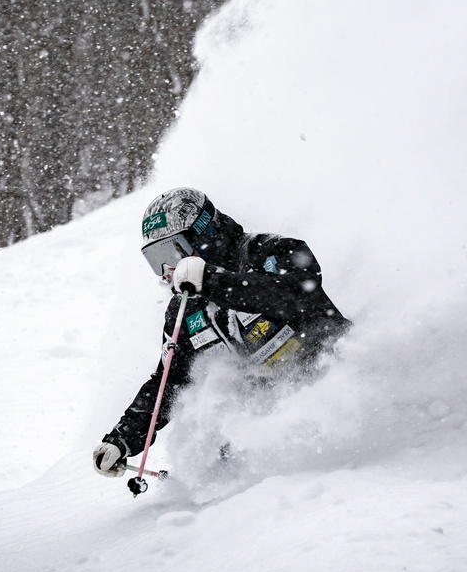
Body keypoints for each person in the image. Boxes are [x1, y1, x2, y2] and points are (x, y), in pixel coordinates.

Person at [92, 187, 352, 478]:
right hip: (270, 433)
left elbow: (295, 295)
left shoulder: (271, 252)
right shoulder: (184, 311)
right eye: (156, 261)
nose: (167, 270)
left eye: (171, 253)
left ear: (204, 237)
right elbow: (171, 381)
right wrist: (124, 438)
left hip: (336, 390)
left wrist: (214, 282)